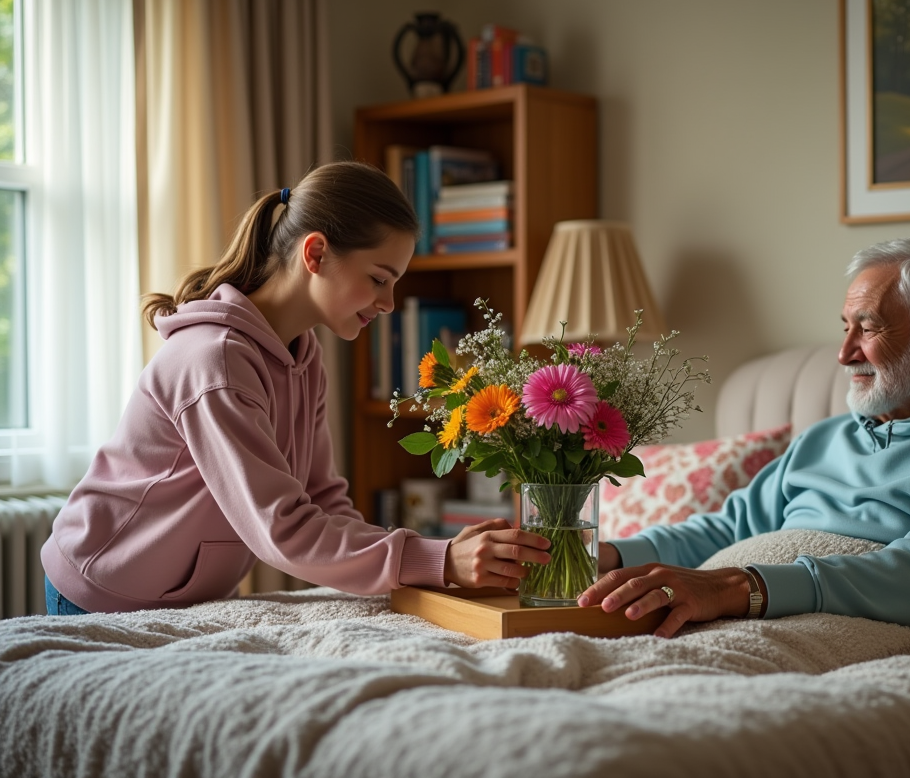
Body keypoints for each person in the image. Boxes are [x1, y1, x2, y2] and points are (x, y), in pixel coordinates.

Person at [41, 161, 549, 615]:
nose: (391, 303)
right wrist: (437, 559)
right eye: (379, 278)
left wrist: (423, 571)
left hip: (186, 600)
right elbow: (281, 528)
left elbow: (323, 500)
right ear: (316, 253)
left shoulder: (303, 356)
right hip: (102, 590)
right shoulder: (214, 360)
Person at [580, 236, 910, 638]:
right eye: (845, 327)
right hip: (729, 611)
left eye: (868, 328)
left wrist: (738, 587)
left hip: (814, 626)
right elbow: (726, 530)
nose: (843, 354)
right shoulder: (826, 439)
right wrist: (599, 556)